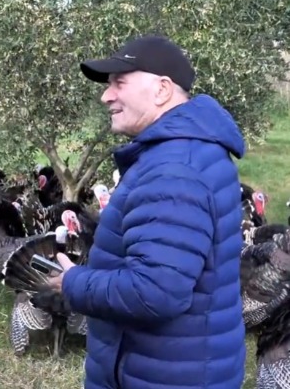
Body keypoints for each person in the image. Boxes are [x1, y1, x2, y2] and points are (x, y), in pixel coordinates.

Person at [49, 35, 246, 388]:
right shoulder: (183, 154)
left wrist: (74, 283)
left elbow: (155, 292)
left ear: (161, 90)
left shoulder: (175, 170)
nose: (106, 95)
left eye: (119, 83)